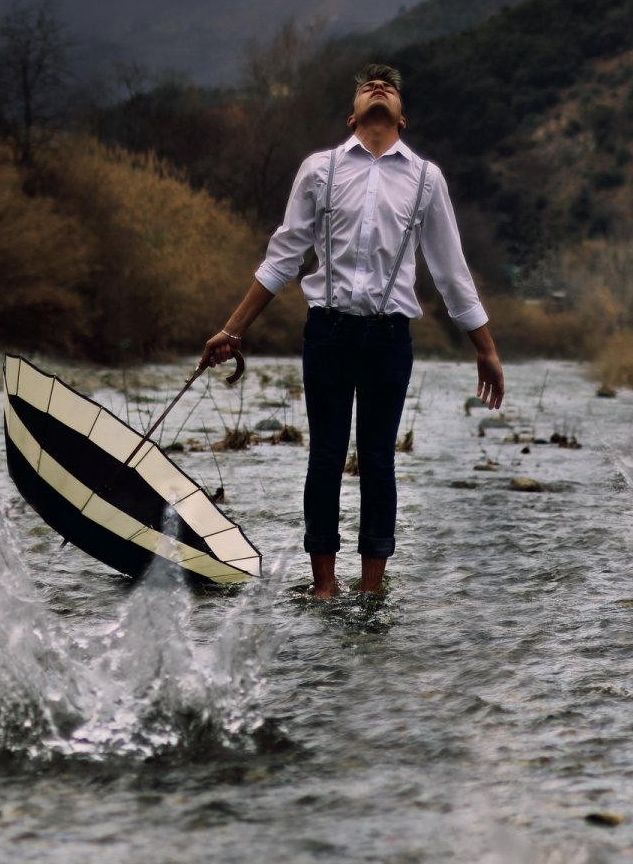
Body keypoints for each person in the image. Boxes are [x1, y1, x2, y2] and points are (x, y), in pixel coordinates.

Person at [199, 64, 504, 598]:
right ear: (353, 113)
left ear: (402, 117)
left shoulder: (426, 179)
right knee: (325, 454)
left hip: (390, 338)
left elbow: (451, 272)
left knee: (380, 458)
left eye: (388, 87)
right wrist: (233, 329)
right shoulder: (320, 170)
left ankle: (371, 587)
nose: (379, 89)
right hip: (328, 332)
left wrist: (486, 350)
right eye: (368, 86)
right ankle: (324, 585)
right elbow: (283, 257)